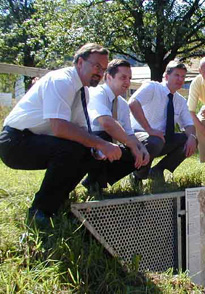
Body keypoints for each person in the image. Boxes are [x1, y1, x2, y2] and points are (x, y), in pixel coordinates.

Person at [0, 43, 126, 221]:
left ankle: (58, 200)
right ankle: (40, 211)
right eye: (97, 66)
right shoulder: (61, 80)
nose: (100, 73)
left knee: (88, 149)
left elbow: (82, 131)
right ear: (80, 62)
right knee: (70, 149)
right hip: (14, 142)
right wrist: (101, 144)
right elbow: (59, 127)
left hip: (35, 138)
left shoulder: (84, 92)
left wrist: (98, 149)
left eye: (104, 69)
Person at [128, 60, 197, 183]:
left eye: (183, 76)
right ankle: (138, 176)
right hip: (138, 136)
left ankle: (158, 171)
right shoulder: (152, 87)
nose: (180, 79)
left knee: (189, 140)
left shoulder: (180, 101)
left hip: (161, 139)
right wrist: (149, 129)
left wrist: (192, 136)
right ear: (166, 76)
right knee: (155, 140)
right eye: (176, 75)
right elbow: (133, 103)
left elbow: (189, 124)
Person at [85, 59, 150, 189]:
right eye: (123, 77)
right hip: (87, 142)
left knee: (139, 153)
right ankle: (96, 183)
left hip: (108, 144)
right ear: (109, 77)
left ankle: (95, 182)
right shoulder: (97, 93)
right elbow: (107, 124)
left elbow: (129, 133)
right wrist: (131, 145)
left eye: (129, 78)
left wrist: (141, 148)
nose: (127, 82)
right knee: (106, 136)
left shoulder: (123, 103)